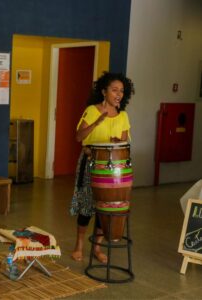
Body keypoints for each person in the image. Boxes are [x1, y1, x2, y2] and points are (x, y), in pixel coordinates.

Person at [70, 72, 134, 263]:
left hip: (113, 169)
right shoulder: (92, 110)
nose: (118, 94)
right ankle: (79, 246)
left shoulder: (123, 115)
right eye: (114, 90)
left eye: (122, 91)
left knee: (104, 208)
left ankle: (97, 248)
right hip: (90, 163)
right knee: (87, 205)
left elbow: (123, 143)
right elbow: (79, 137)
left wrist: (116, 141)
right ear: (104, 91)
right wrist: (98, 122)